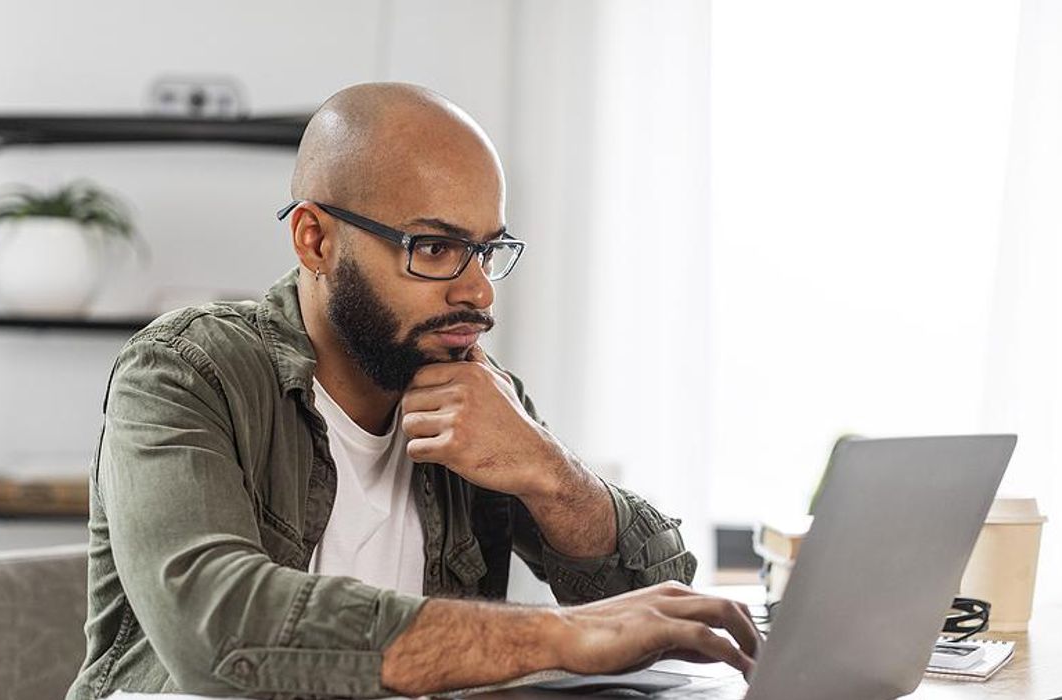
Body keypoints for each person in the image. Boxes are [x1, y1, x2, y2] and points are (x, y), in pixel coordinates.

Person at [67, 82, 759, 700]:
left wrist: (549, 472)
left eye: (486, 251)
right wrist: (554, 635)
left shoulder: (475, 390)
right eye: (433, 248)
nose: (478, 290)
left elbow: (657, 609)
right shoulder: (186, 370)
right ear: (314, 240)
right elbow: (215, 628)